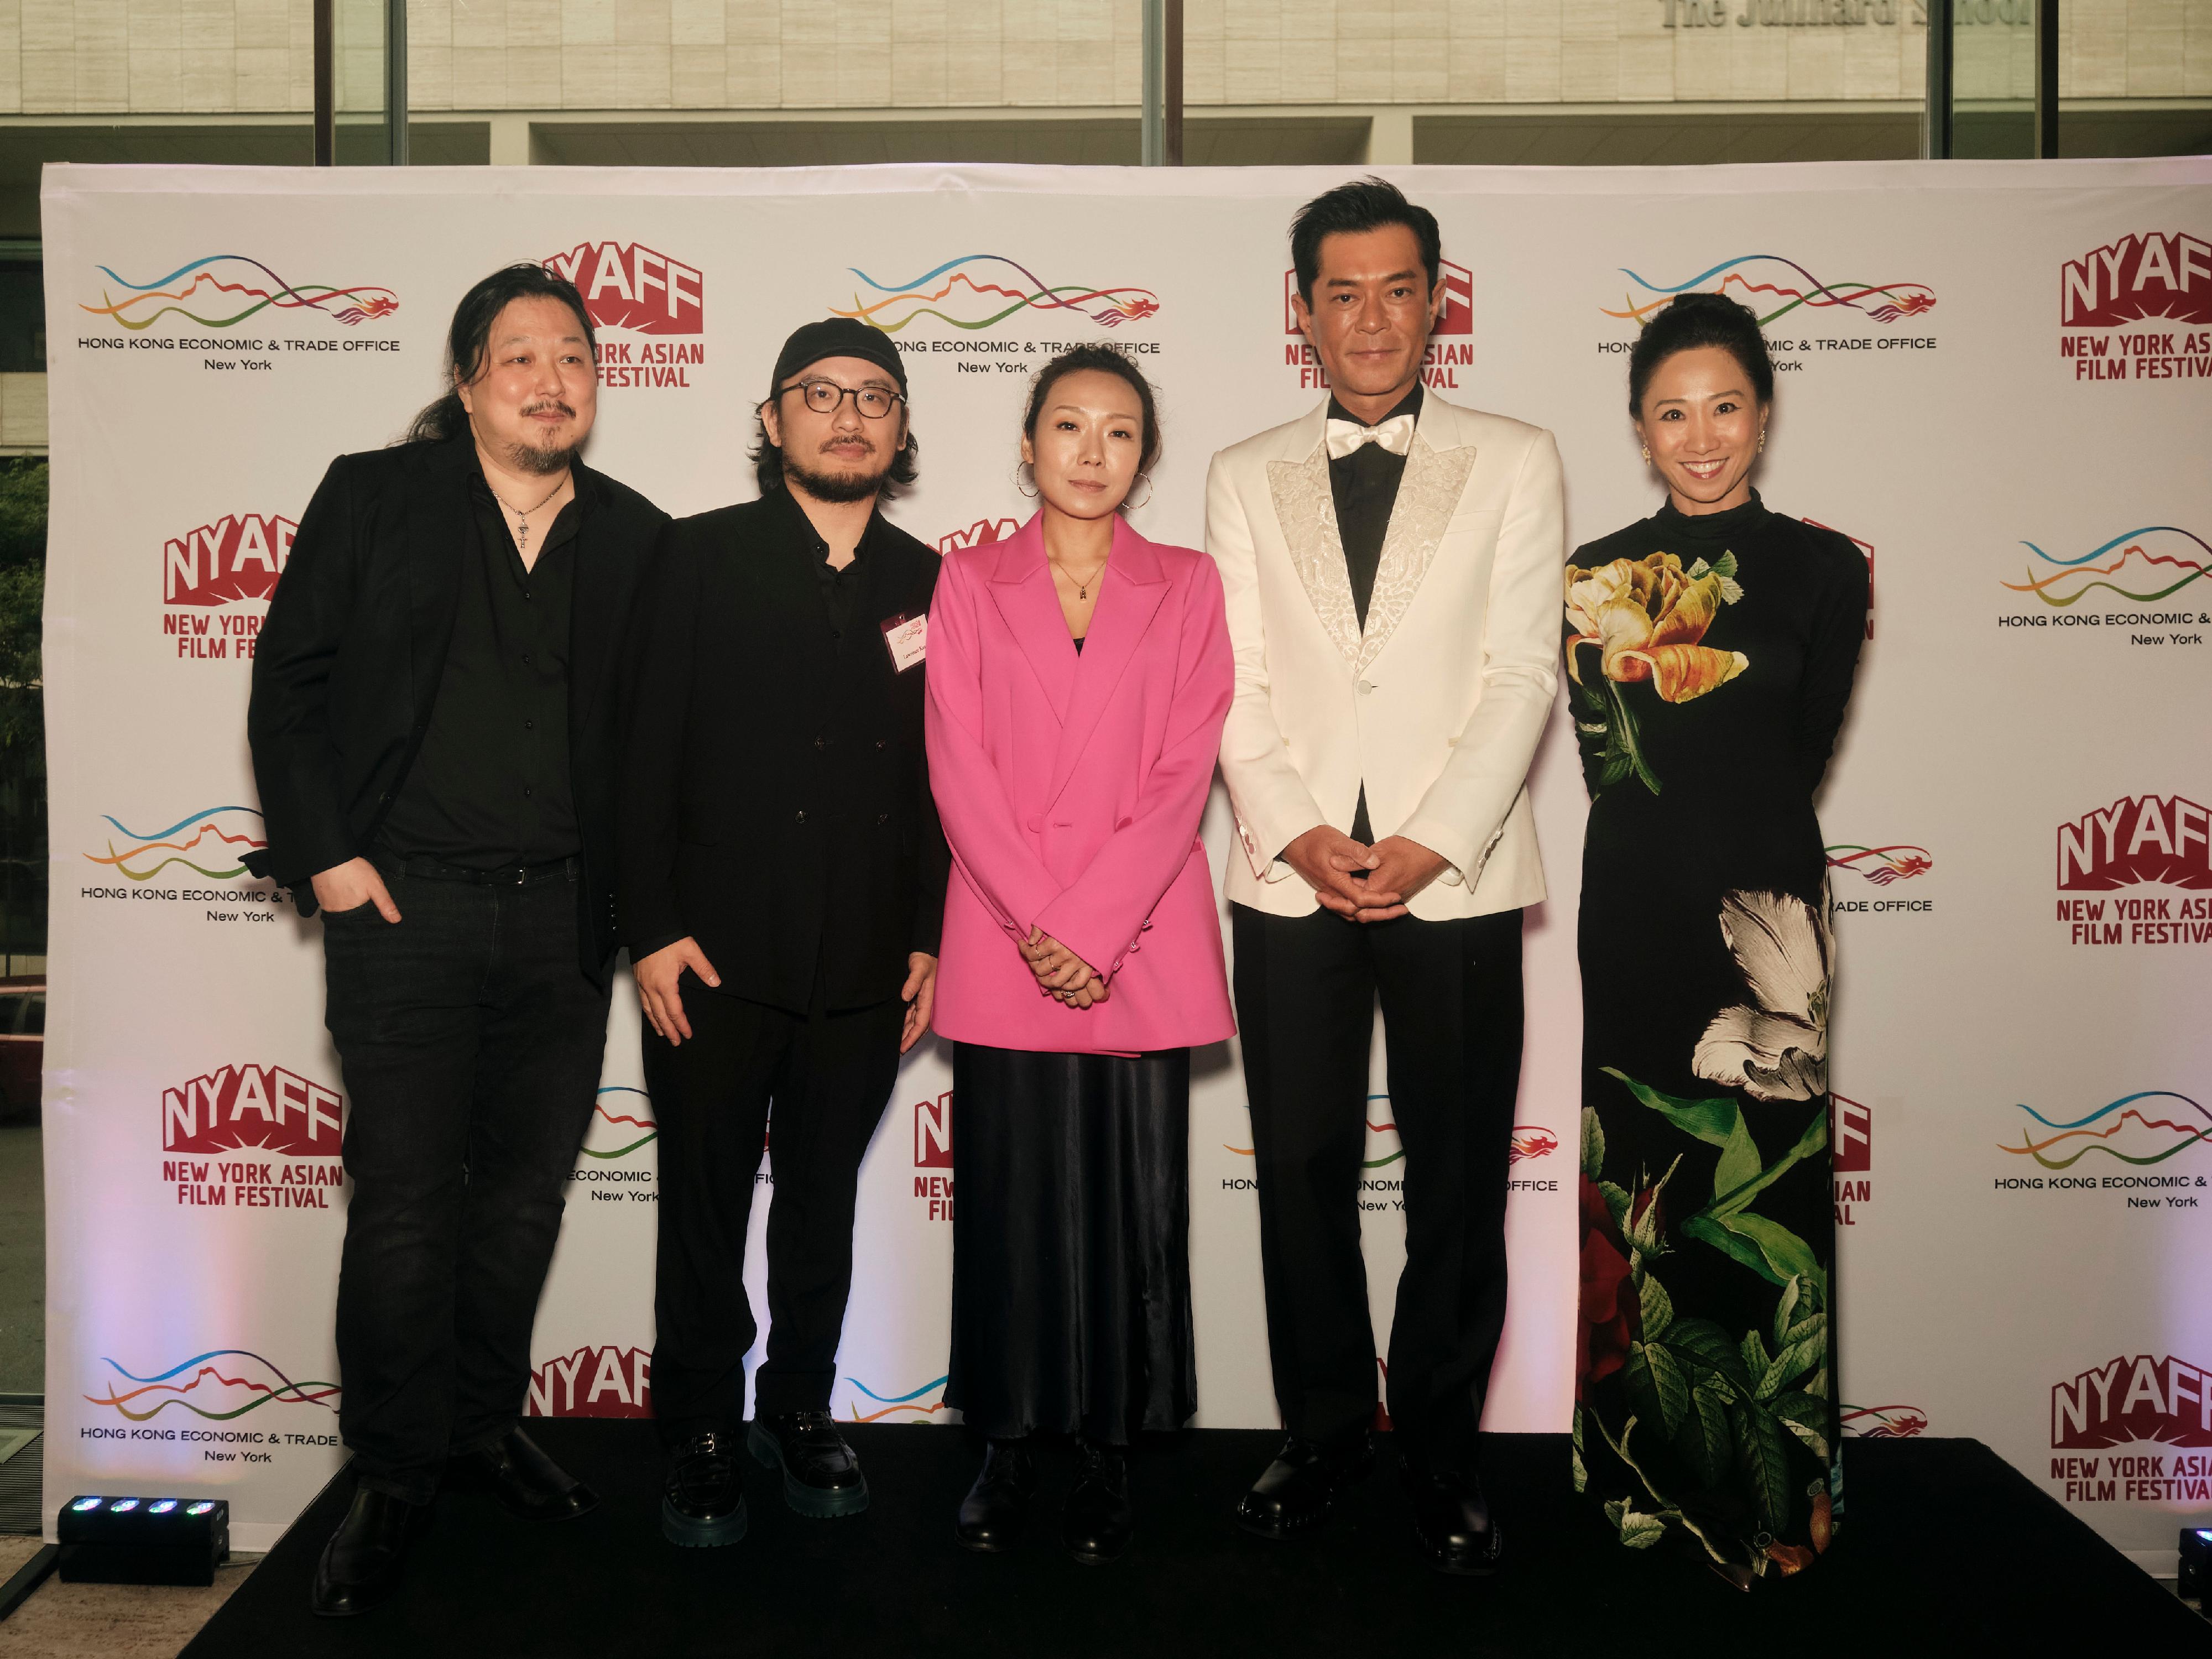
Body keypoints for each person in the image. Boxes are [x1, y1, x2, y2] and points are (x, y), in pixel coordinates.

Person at [247, 264, 670, 1616]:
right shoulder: (375, 495)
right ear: (466, 377)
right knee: (410, 1208)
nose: (552, 381)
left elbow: (661, 754)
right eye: (520, 358)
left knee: (522, 1204)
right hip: (404, 908)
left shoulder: (637, 535)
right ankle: (391, 1469)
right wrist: (329, 854)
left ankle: (483, 1428)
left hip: (562, 918)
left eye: (575, 359)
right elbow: (289, 680)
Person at [1206, 178, 1563, 1574]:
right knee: (1298, 1168)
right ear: (1301, 313)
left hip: (1455, 874)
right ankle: (1319, 1430)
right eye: (1339, 293)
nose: (1369, 317)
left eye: (1396, 288)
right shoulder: (1242, 472)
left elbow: (1523, 669)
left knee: (1458, 1175)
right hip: (1289, 880)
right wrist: (1298, 830)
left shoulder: (1516, 455)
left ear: (1436, 300)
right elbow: (1228, 683)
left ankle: (1436, 1444)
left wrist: (1429, 839)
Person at [617, 317, 947, 1549]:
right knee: (701, 1203)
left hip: (865, 959)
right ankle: (699, 1427)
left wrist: (929, 932)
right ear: (773, 421)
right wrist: (646, 927)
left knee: (821, 1204)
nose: (849, 415)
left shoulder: (932, 583)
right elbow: (638, 754)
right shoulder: (691, 561)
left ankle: (799, 1409)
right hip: (707, 959)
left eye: (874, 397)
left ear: (901, 428)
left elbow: (944, 779)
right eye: (821, 394)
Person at [1567, 291, 1865, 1588]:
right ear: (1638, 429)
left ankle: (1773, 1498)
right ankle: (1640, 1489)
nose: (1700, 438)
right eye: (1670, 413)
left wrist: (1737, 866)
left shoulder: (1826, 567)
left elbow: (1794, 751)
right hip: (1629, 916)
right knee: (1640, 1201)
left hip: (1768, 929)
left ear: (1763, 412)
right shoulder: (1591, 576)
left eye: (1724, 407)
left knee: (1770, 1202)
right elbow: (1617, 766)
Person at [924, 345, 1233, 1567]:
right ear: (1026, 445)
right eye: (1067, 426)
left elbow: (1183, 772)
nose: (1090, 451)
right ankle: (1006, 1441)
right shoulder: (964, 582)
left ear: (1144, 455)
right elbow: (957, 765)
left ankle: (1109, 1449)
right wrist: (1040, 927)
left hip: (1137, 937)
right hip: (1008, 941)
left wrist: (1088, 928)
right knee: (1002, 1203)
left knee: (1135, 1207)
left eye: (1117, 432)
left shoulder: (1189, 584)